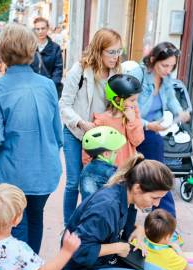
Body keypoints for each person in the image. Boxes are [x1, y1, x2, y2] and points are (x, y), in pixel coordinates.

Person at [0, 23, 63, 270]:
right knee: (35, 218)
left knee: (17, 226)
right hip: (46, 168)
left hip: (12, 172)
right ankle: (30, 268)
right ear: (31, 50)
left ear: (2, 52)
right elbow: (57, 131)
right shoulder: (48, 85)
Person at [62, 156, 173, 270]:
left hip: (105, 262)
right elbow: (78, 250)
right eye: (154, 198)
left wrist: (138, 230)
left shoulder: (125, 194)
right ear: (137, 188)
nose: (157, 204)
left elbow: (119, 228)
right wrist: (117, 247)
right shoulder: (106, 207)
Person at [59, 28, 122, 225]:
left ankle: (90, 224)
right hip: (76, 133)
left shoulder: (118, 73)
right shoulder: (79, 71)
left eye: (119, 51)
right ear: (99, 50)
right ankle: (69, 226)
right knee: (73, 183)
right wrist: (81, 123)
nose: (115, 56)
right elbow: (64, 105)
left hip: (102, 137)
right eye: (111, 52)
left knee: (98, 181)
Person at [137, 42, 192, 218]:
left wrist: (180, 112)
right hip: (134, 128)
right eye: (164, 65)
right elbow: (126, 108)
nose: (168, 70)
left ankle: (165, 220)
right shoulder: (139, 74)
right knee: (130, 178)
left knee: (159, 175)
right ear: (153, 60)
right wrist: (146, 124)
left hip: (151, 130)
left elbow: (171, 99)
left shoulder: (166, 79)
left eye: (171, 66)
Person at [93, 73, 144, 168]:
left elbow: (137, 141)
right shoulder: (102, 120)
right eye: (132, 100)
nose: (135, 104)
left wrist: (132, 121)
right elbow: (91, 149)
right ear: (117, 100)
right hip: (109, 174)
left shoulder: (134, 114)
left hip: (128, 171)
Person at [79, 125, 126, 200]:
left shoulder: (85, 170)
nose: (116, 155)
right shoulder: (110, 172)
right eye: (115, 152)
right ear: (106, 154)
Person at [30, 17, 63, 97]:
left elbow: (58, 70)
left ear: (47, 29)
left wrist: (50, 87)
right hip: (33, 90)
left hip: (49, 90)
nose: (40, 31)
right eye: (37, 29)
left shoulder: (56, 48)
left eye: (43, 28)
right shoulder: (29, 47)